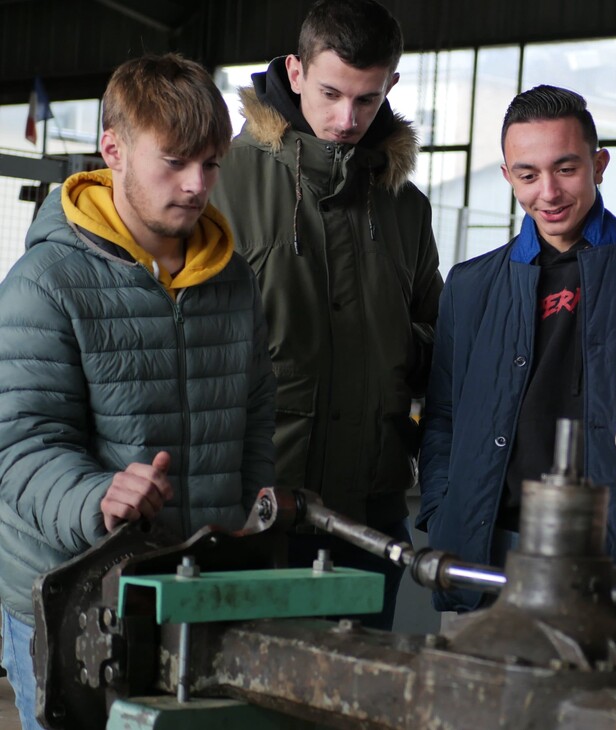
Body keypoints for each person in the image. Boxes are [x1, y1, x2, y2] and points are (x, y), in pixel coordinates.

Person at [0, 53, 274, 729]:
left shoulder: (232, 278)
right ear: (113, 150)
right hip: (72, 591)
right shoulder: (46, 282)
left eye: (210, 164)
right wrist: (98, 496)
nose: (196, 184)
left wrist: (250, 522)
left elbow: (255, 418)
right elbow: (21, 443)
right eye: (175, 162)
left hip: (193, 586)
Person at [211, 0, 443, 630]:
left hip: (368, 517)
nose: (347, 119)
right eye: (331, 93)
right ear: (294, 72)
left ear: (391, 85)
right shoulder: (219, 182)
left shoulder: (407, 208)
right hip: (252, 508)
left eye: (367, 100)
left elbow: (435, 342)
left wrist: (394, 352)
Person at [417, 86, 616, 614]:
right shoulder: (469, 287)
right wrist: (443, 510)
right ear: (508, 176)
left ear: (599, 165)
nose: (548, 192)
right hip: (491, 549)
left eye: (566, 168)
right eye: (528, 175)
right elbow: (443, 416)